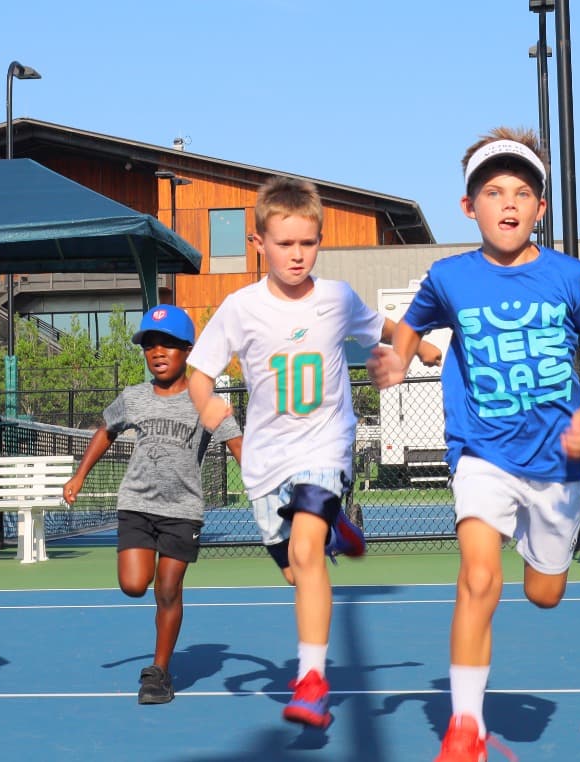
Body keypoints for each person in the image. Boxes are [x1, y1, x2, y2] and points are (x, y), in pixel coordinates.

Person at [368, 127, 580, 762]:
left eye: (522, 192)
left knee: (543, 593)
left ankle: (551, 556)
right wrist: (399, 358)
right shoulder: (450, 277)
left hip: (559, 462)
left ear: (540, 208)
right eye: (492, 191)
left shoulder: (576, 278)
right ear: (468, 206)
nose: (508, 202)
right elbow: (411, 326)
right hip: (481, 452)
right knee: (478, 577)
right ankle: (464, 727)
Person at [188, 175, 440, 730]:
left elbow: (382, 326)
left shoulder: (336, 298)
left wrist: (421, 347)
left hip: (325, 447)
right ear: (259, 243)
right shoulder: (239, 308)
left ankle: (311, 681)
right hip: (264, 462)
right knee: (296, 572)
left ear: (320, 241)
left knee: (305, 553)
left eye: (308, 243)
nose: (297, 254)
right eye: (285, 244)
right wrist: (206, 404)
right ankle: (335, 531)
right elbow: (198, 372)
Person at [62, 304, 243, 706]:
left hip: (182, 510)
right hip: (137, 504)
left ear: (188, 351)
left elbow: (236, 444)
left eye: (168, 344)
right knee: (133, 585)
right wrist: (79, 475)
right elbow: (105, 432)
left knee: (168, 588)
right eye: (149, 345)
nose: (158, 352)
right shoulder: (134, 397)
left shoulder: (206, 400)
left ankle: (159, 672)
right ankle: (158, 654)